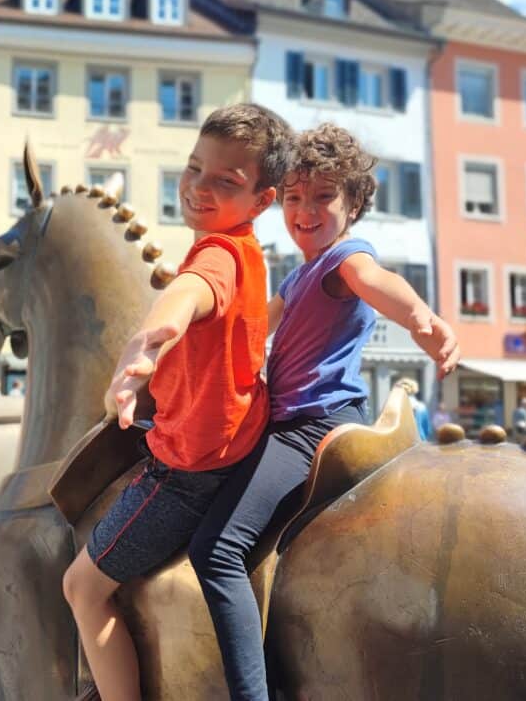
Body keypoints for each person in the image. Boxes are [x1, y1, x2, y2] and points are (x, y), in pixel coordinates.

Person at [187, 123, 460, 700]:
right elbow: (255, 325)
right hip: (284, 424)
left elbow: (379, 283)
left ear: (355, 202)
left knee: (216, 550)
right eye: (292, 196)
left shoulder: (345, 258)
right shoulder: (298, 272)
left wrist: (420, 320)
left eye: (322, 196)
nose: (304, 209)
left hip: (313, 425)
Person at [61, 103, 297, 701]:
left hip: (188, 472)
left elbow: (188, 295)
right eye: (195, 169)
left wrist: (147, 341)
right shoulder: (246, 251)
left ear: (262, 201)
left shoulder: (216, 255)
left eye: (225, 182)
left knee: (81, 588)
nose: (199, 188)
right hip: (237, 443)